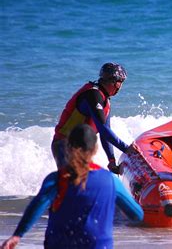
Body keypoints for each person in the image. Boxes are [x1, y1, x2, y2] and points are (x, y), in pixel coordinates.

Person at [1, 124, 144, 249]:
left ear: (68, 147)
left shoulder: (57, 179)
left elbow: (36, 207)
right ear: (94, 149)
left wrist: (17, 236)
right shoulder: (110, 180)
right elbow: (136, 215)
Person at [51, 62, 130, 173]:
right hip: (64, 145)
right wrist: (127, 149)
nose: (120, 87)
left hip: (81, 149)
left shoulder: (105, 101)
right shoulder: (93, 95)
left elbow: (105, 133)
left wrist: (111, 160)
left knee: (84, 184)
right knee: (74, 184)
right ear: (113, 82)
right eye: (120, 83)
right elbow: (103, 130)